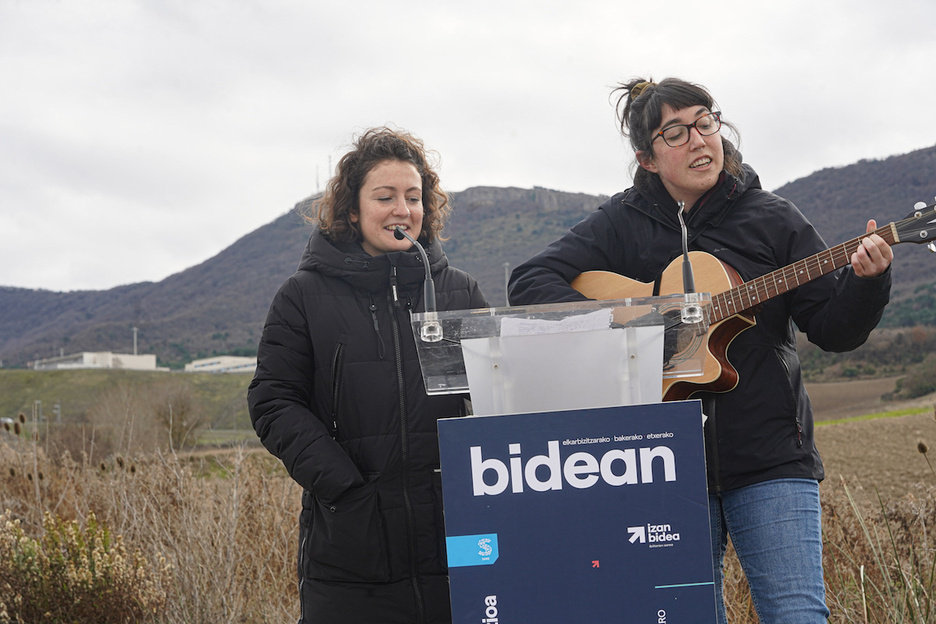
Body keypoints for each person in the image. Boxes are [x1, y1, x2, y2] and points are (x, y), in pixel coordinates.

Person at [508, 77, 893, 623]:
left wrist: (866, 283)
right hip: (661, 461)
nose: (698, 140)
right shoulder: (620, 224)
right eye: (675, 132)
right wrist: (632, 326)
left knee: (797, 614)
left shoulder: (774, 218)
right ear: (646, 158)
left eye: (705, 121)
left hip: (771, 455)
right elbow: (529, 281)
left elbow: (834, 330)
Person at [248, 127, 489, 624]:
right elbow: (273, 401)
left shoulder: (459, 292)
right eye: (385, 197)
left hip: (456, 539)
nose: (403, 209)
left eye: (414, 197)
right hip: (351, 549)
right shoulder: (303, 295)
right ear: (353, 211)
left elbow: (500, 389)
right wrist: (345, 490)